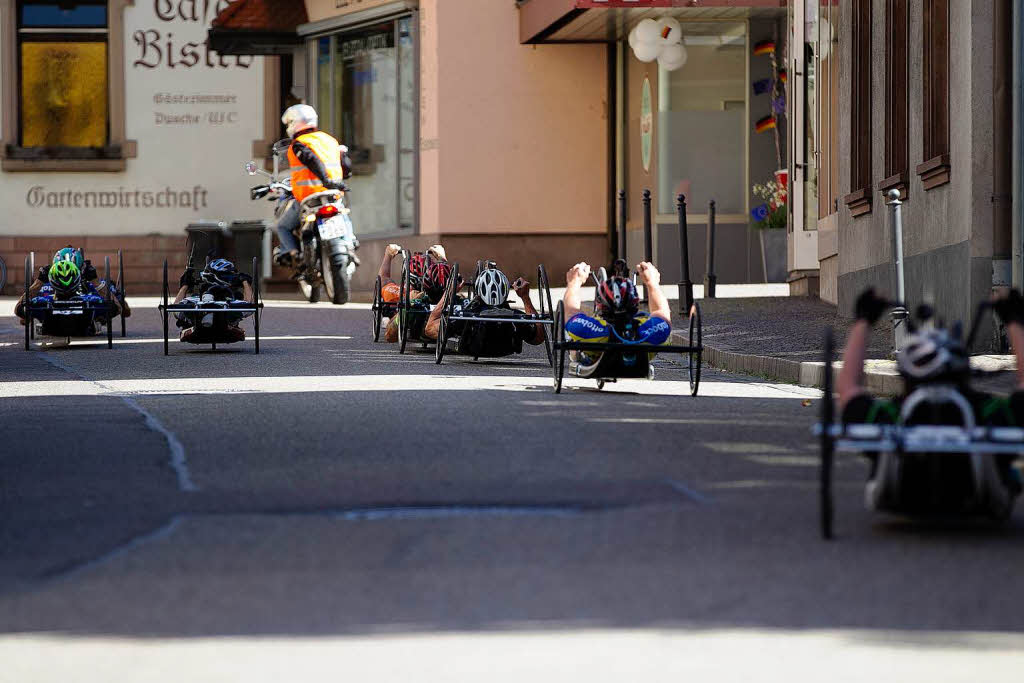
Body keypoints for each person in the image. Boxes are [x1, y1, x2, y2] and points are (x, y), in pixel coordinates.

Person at [838, 287, 1024, 517]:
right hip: (978, 501)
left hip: (907, 499)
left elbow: (848, 390)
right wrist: (1013, 320)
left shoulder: (893, 416)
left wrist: (864, 321)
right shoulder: (988, 412)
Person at [274, 104, 353, 266]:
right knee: (343, 212)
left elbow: (312, 160)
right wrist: (336, 183)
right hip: (332, 194)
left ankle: (294, 254)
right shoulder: (330, 140)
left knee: (282, 227)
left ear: (294, 123)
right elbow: (346, 167)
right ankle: (350, 242)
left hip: (308, 197)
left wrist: (325, 180)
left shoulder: (299, 143)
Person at [562, 261, 672, 369]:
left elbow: (570, 312)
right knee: (659, 326)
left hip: (598, 344)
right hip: (642, 345)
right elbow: (661, 312)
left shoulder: (589, 330)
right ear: (635, 303)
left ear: (601, 306)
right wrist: (652, 283)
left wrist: (574, 282)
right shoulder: (654, 329)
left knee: (575, 341)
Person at [422, 263, 546, 357]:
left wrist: (450, 292)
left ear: (478, 291)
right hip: (506, 349)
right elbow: (538, 338)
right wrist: (525, 298)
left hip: (472, 348)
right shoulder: (516, 317)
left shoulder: (466, 317)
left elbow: (429, 328)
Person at [15, 246, 129, 324]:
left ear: (80, 269)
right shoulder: (46, 286)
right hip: (52, 308)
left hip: (86, 304)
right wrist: (39, 281)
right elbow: (20, 312)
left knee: (115, 298)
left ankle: (96, 319)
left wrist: (95, 281)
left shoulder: (90, 283)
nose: (67, 277)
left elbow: (120, 309)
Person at [376, 243, 447, 343]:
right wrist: (442, 259)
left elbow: (383, 281)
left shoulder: (399, 292)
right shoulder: (401, 292)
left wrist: (388, 255)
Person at [172, 259, 255, 344]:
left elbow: (249, 308)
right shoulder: (195, 299)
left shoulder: (232, 300)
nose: (232, 278)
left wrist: (245, 282)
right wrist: (185, 285)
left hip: (225, 324)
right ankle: (197, 324)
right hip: (198, 325)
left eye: (232, 275)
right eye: (227, 275)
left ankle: (225, 325)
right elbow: (175, 310)